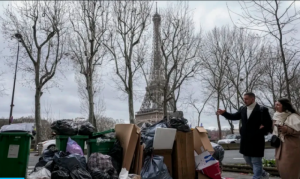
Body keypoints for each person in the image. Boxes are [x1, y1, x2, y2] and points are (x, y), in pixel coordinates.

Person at [216, 92, 272, 179]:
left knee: (256, 161)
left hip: (257, 140)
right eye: (244, 99)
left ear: (252, 99)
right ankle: (264, 174)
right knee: (248, 160)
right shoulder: (243, 109)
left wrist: (260, 131)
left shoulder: (262, 109)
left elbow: (268, 124)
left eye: (246, 99)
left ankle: (257, 177)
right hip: (245, 140)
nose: (244, 100)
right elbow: (234, 116)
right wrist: (224, 113)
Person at [273, 98, 300, 179]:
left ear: (284, 106)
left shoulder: (293, 116)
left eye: (278, 105)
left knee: (290, 170)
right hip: (279, 147)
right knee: (282, 169)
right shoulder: (276, 116)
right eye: (275, 105)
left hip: (291, 147)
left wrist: (287, 129)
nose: (276, 107)